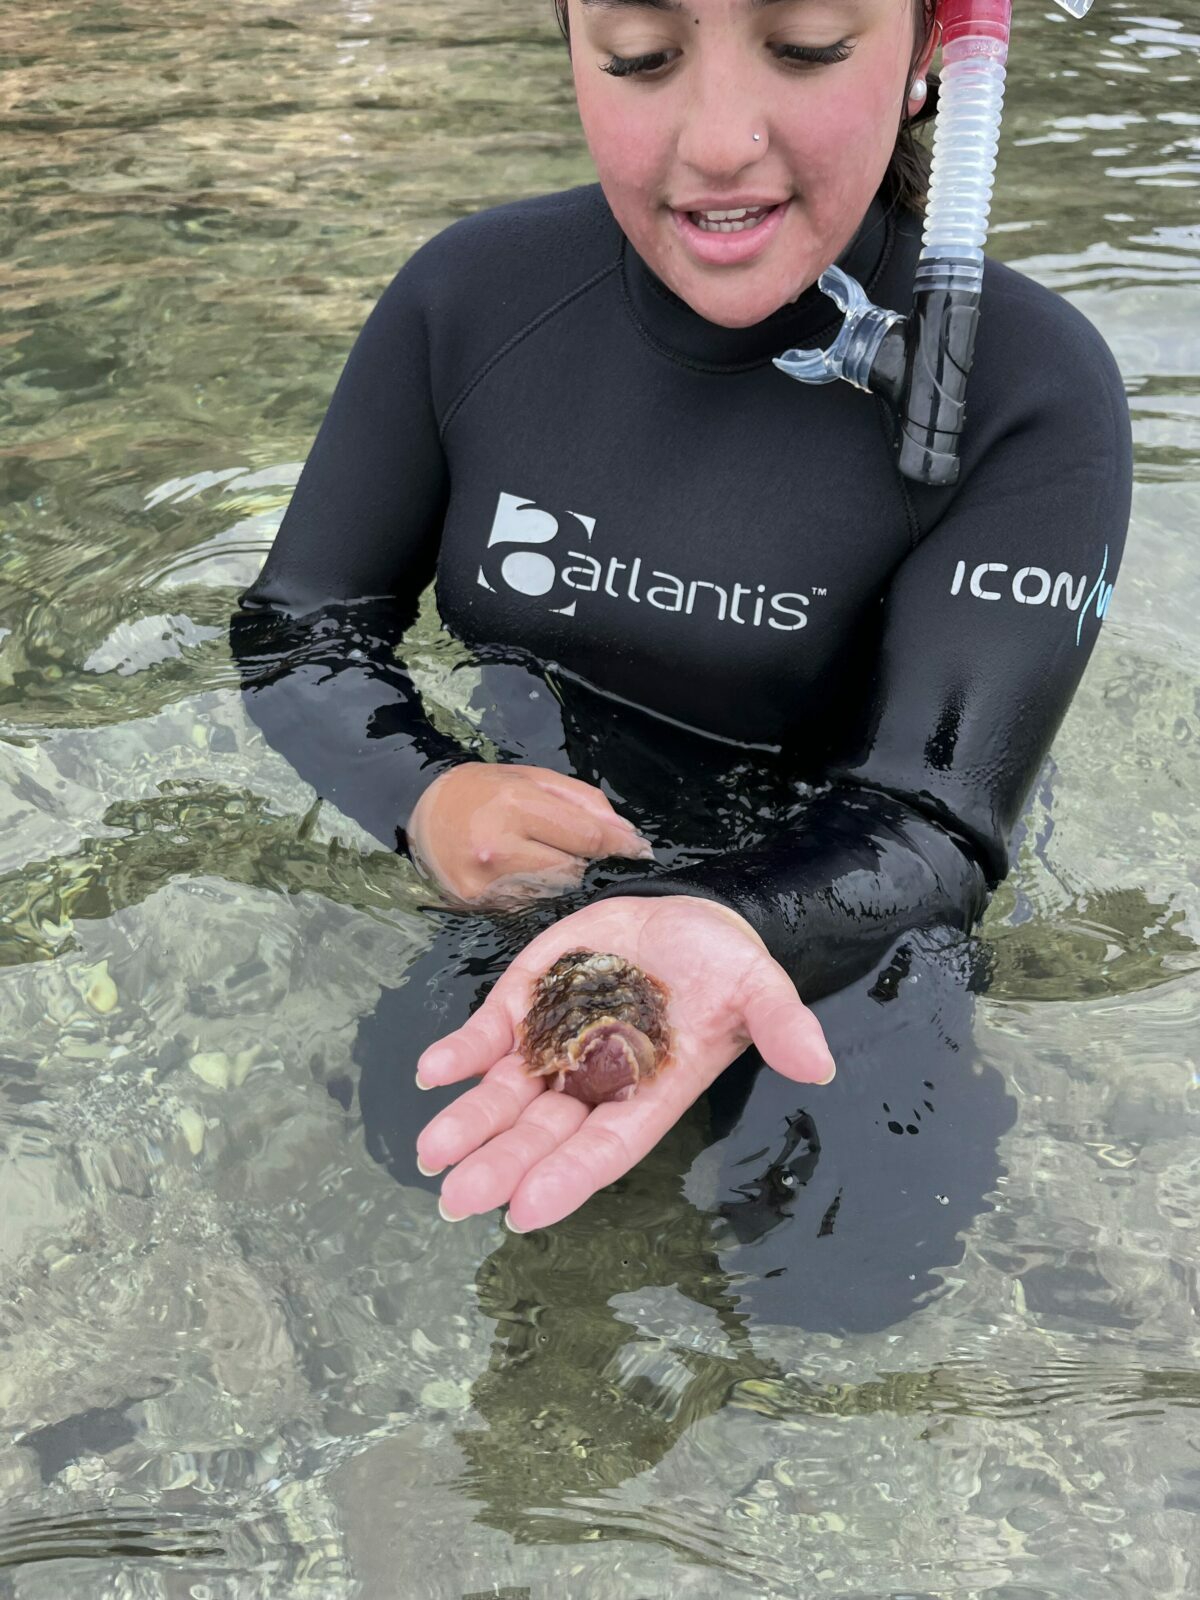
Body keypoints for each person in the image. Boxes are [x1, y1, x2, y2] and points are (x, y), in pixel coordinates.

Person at [231, 0, 1130, 1319]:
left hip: (855, 923)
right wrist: (428, 795)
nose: (716, 143)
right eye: (642, 56)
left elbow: (937, 816)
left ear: (932, 50)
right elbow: (298, 627)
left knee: (846, 1279)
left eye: (811, 43)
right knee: (410, 1161)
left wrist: (729, 921)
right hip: (554, 886)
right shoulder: (471, 301)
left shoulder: (1030, 388)